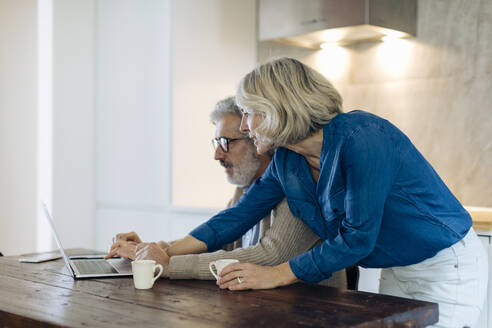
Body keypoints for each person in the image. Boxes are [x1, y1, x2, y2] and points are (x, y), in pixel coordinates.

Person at [140, 58, 487, 327]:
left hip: (446, 266)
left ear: (279, 107)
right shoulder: (287, 161)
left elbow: (357, 239)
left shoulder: (363, 137)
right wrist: (162, 250)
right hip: (397, 268)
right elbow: (235, 218)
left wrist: (275, 274)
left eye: (249, 113)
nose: (244, 126)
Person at [107, 96, 345, 287]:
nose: (217, 155)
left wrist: (169, 264)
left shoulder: (298, 186)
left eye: (226, 143)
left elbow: (271, 256)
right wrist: (148, 251)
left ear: (259, 138)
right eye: (216, 143)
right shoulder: (244, 190)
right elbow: (220, 244)